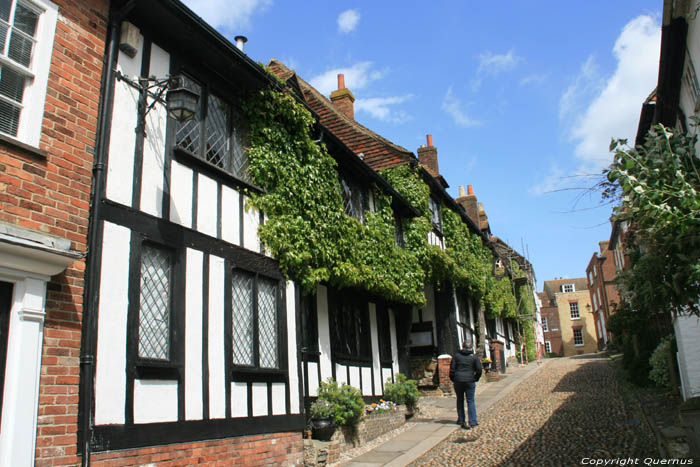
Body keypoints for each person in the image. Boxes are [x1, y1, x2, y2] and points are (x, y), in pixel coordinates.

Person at [449, 339, 482, 429]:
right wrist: (476, 378)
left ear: (463, 346)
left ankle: (461, 420)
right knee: (470, 400)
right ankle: (473, 421)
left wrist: (453, 379)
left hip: (458, 380)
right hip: (470, 380)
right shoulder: (474, 357)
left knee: (460, 400)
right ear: (471, 347)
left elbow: (452, 370)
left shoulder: (456, 356)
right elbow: (479, 369)